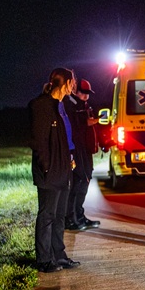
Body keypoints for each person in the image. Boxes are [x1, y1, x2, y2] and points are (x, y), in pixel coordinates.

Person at [28, 68, 82, 272]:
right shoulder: (41, 105)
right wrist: (47, 167)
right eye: (73, 82)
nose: (74, 86)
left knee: (60, 215)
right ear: (66, 83)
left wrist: (70, 158)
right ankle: (43, 259)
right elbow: (38, 142)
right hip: (50, 171)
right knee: (47, 215)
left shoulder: (61, 106)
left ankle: (58, 255)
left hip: (64, 168)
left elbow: (64, 139)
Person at [63, 78, 101, 230]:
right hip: (78, 150)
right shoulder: (71, 106)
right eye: (83, 93)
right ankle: (70, 218)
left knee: (84, 180)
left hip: (85, 150)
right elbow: (76, 127)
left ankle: (79, 215)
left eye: (88, 93)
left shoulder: (83, 106)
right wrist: (90, 121)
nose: (86, 96)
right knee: (78, 182)